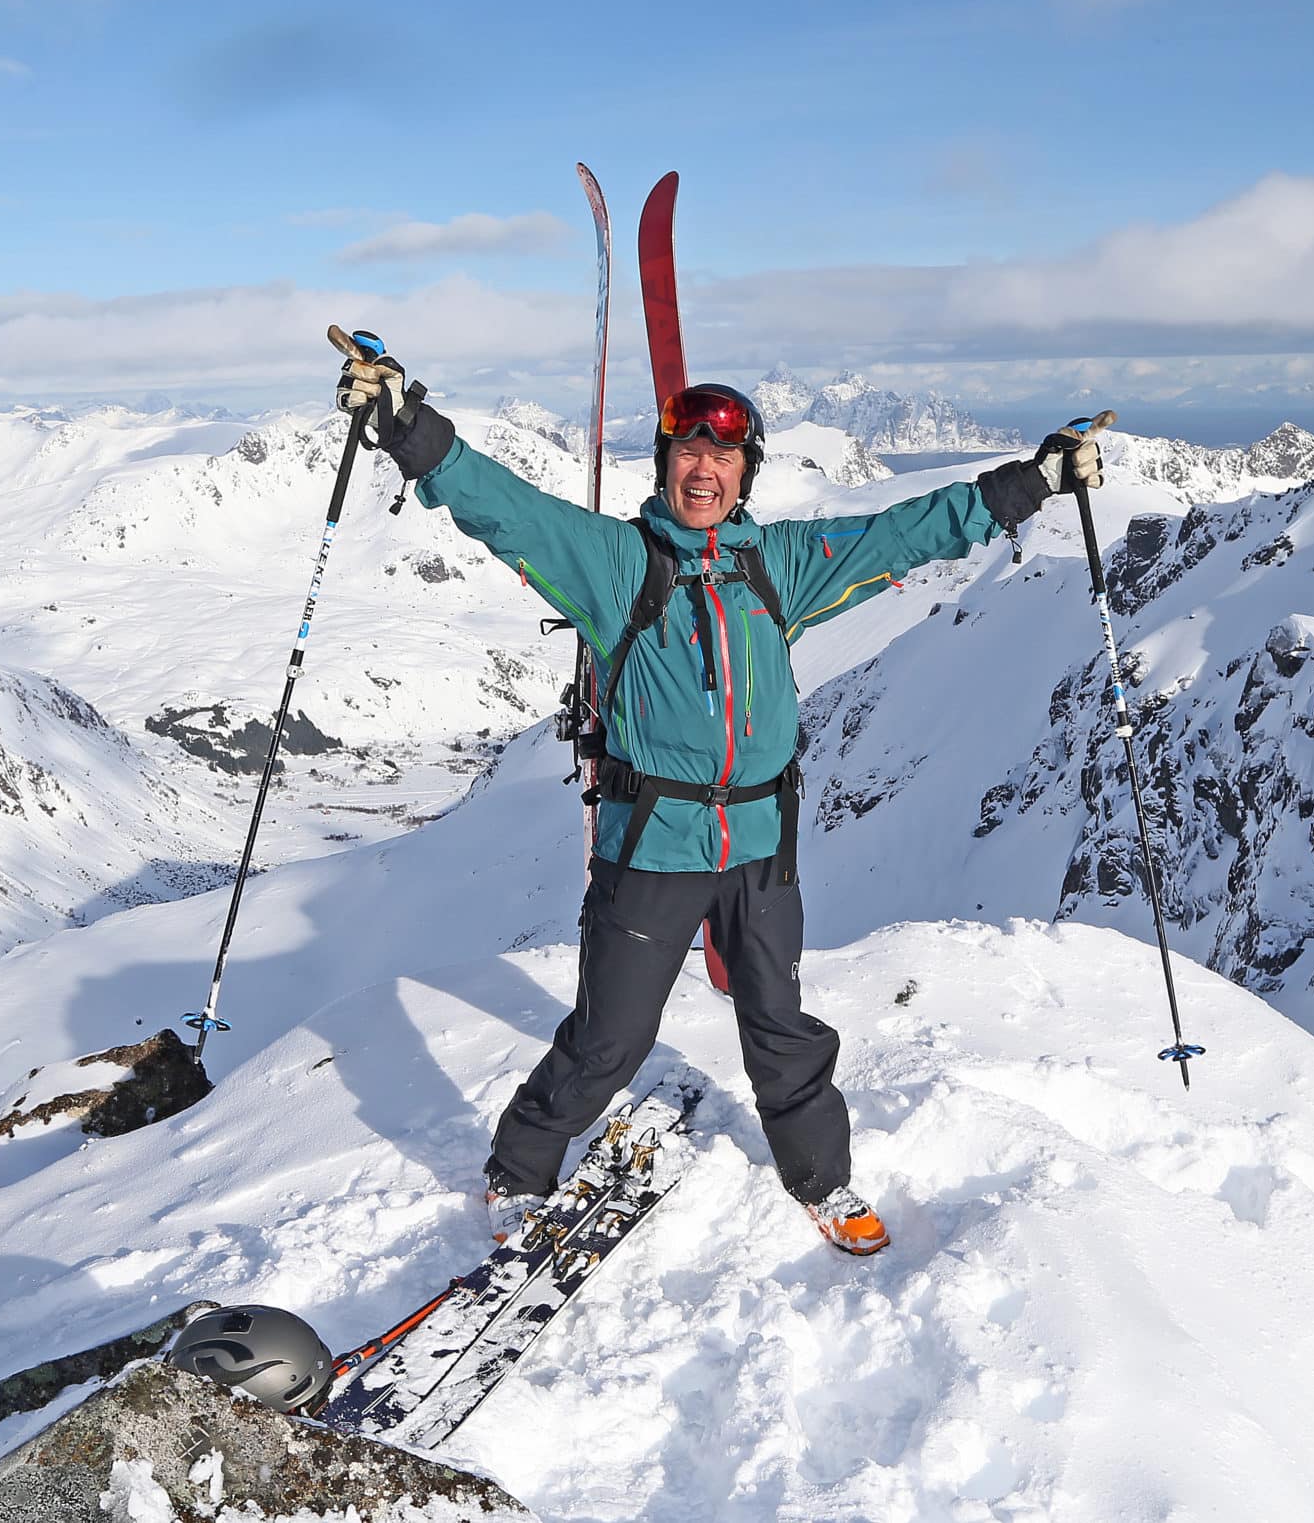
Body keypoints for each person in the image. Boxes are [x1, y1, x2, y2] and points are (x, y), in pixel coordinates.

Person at [335, 339, 1103, 1254]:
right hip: (650, 844)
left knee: (779, 1022)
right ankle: (519, 1167)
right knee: (611, 1039)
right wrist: (404, 424)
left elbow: (904, 532)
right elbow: (511, 512)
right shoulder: (617, 563)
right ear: (665, 467)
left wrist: (1035, 481)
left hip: (760, 844)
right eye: (689, 453)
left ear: (745, 472)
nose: (705, 468)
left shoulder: (776, 564)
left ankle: (822, 1178)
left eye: (725, 455)